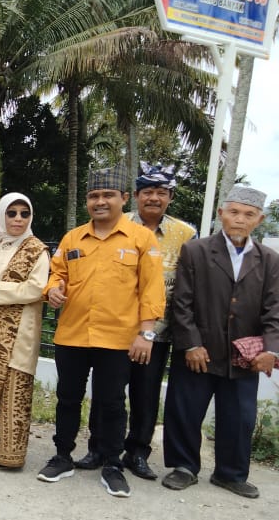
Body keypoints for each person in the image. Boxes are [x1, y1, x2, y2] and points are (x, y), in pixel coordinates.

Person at [39, 167, 165, 497]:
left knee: (111, 403)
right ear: (87, 202)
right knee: (67, 398)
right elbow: (56, 274)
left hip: (118, 338)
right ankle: (62, 455)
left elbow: (152, 289)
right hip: (73, 335)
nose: (100, 201)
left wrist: (146, 333)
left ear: (124, 199)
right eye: (94, 196)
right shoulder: (72, 238)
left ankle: (112, 464)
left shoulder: (142, 239)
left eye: (108, 195)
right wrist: (53, 290)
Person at [78, 164, 197, 479]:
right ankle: (99, 449)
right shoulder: (116, 223)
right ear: (135, 196)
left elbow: (188, 285)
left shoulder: (185, 234)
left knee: (146, 395)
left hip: (156, 332)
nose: (154, 198)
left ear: (170, 197)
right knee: (107, 393)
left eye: (161, 193)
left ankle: (137, 452)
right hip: (113, 329)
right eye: (148, 192)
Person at [161, 186, 279, 499]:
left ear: (259, 219)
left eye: (249, 214)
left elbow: (274, 309)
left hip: (244, 355)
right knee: (185, 409)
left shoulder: (269, 260)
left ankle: (230, 473)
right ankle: (184, 467)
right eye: (235, 212)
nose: (240, 219)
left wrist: (271, 350)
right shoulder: (196, 251)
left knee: (240, 416)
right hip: (199, 349)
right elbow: (181, 303)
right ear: (221, 214)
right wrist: (190, 344)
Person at [0, 194, 49, 469]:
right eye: (12, 213)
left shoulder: (36, 250)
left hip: (18, 333)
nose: (18, 219)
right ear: (1, 215)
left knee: (12, 389)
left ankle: (9, 455)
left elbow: (37, 290)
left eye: (24, 214)